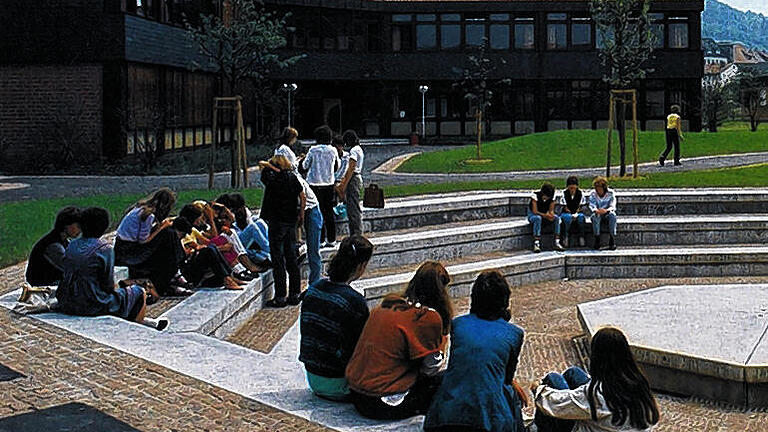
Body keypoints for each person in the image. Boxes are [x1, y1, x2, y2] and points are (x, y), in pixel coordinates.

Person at [346, 261, 453, 420]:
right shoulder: (427, 317)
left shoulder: (385, 306)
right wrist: (442, 340)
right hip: (381, 402)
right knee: (449, 378)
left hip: (357, 395)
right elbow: (431, 367)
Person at [424, 270, 526, 432]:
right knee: (510, 394)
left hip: (446, 416)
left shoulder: (458, 325)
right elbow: (506, 379)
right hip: (487, 422)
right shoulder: (514, 333)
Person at [56, 207, 168, 330]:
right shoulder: (104, 248)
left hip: (67, 299)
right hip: (90, 302)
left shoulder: (72, 244)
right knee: (138, 292)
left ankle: (146, 322)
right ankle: (140, 324)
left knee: (123, 295)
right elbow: (108, 285)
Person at [534, 327, 660, 432]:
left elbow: (554, 403)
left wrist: (538, 389)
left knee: (553, 379)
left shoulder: (597, 394)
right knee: (574, 373)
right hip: (615, 423)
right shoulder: (638, 381)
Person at [299, 235, 374, 401]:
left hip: (313, 377)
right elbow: (360, 349)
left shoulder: (314, 289)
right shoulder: (354, 301)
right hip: (339, 382)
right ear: (361, 266)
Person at [114, 188, 192, 297]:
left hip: (126, 246)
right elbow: (143, 240)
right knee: (168, 233)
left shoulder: (140, 208)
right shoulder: (148, 215)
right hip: (128, 251)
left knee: (168, 236)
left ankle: (175, 272)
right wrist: (161, 227)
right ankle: (176, 270)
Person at [260, 155, 305, 307]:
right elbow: (302, 195)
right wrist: (301, 214)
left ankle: (280, 297)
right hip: (290, 221)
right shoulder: (292, 178)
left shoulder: (272, 180)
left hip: (277, 222)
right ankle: (295, 293)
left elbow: (262, 164)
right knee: (291, 258)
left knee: (278, 259)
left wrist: (272, 167)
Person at [302, 125, 341, 248]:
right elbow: (337, 166)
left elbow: (305, 165)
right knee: (328, 212)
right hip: (328, 183)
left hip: (314, 184)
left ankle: (321, 239)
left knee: (317, 212)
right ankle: (332, 238)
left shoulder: (313, 150)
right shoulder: (333, 150)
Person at [26, 206, 82, 287]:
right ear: (66, 225)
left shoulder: (64, 241)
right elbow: (71, 267)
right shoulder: (53, 245)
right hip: (42, 285)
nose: (80, 231)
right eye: (78, 227)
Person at [336, 130, 365, 237]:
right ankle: (355, 232)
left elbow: (351, 168)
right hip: (356, 178)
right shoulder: (359, 149)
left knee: (353, 208)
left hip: (353, 179)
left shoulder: (354, 151)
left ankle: (356, 233)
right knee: (353, 207)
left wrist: (343, 184)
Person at [528, 183, 564, 253]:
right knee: (538, 218)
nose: (546, 198)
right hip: (534, 215)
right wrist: (545, 215)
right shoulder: (535, 196)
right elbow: (535, 211)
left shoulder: (552, 198)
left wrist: (551, 215)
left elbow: (551, 210)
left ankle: (557, 241)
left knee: (556, 218)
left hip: (545, 214)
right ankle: (536, 242)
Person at [589, 177, 617, 250]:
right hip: (598, 212)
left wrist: (606, 210)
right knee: (595, 217)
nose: (598, 190)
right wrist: (597, 210)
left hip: (607, 212)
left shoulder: (611, 193)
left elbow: (613, 205)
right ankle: (597, 238)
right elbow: (592, 205)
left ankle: (612, 238)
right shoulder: (593, 194)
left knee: (612, 216)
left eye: (599, 188)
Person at [558, 176, 587, 248]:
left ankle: (582, 237)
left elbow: (580, 206)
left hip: (577, 212)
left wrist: (576, 213)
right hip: (567, 212)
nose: (572, 190)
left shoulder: (580, 193)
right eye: (570, 188)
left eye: (574, 188)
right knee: (567, 218)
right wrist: (571, 214)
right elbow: (565, 207)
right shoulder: (564, 193)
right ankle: (566, 237)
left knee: (581, 218)